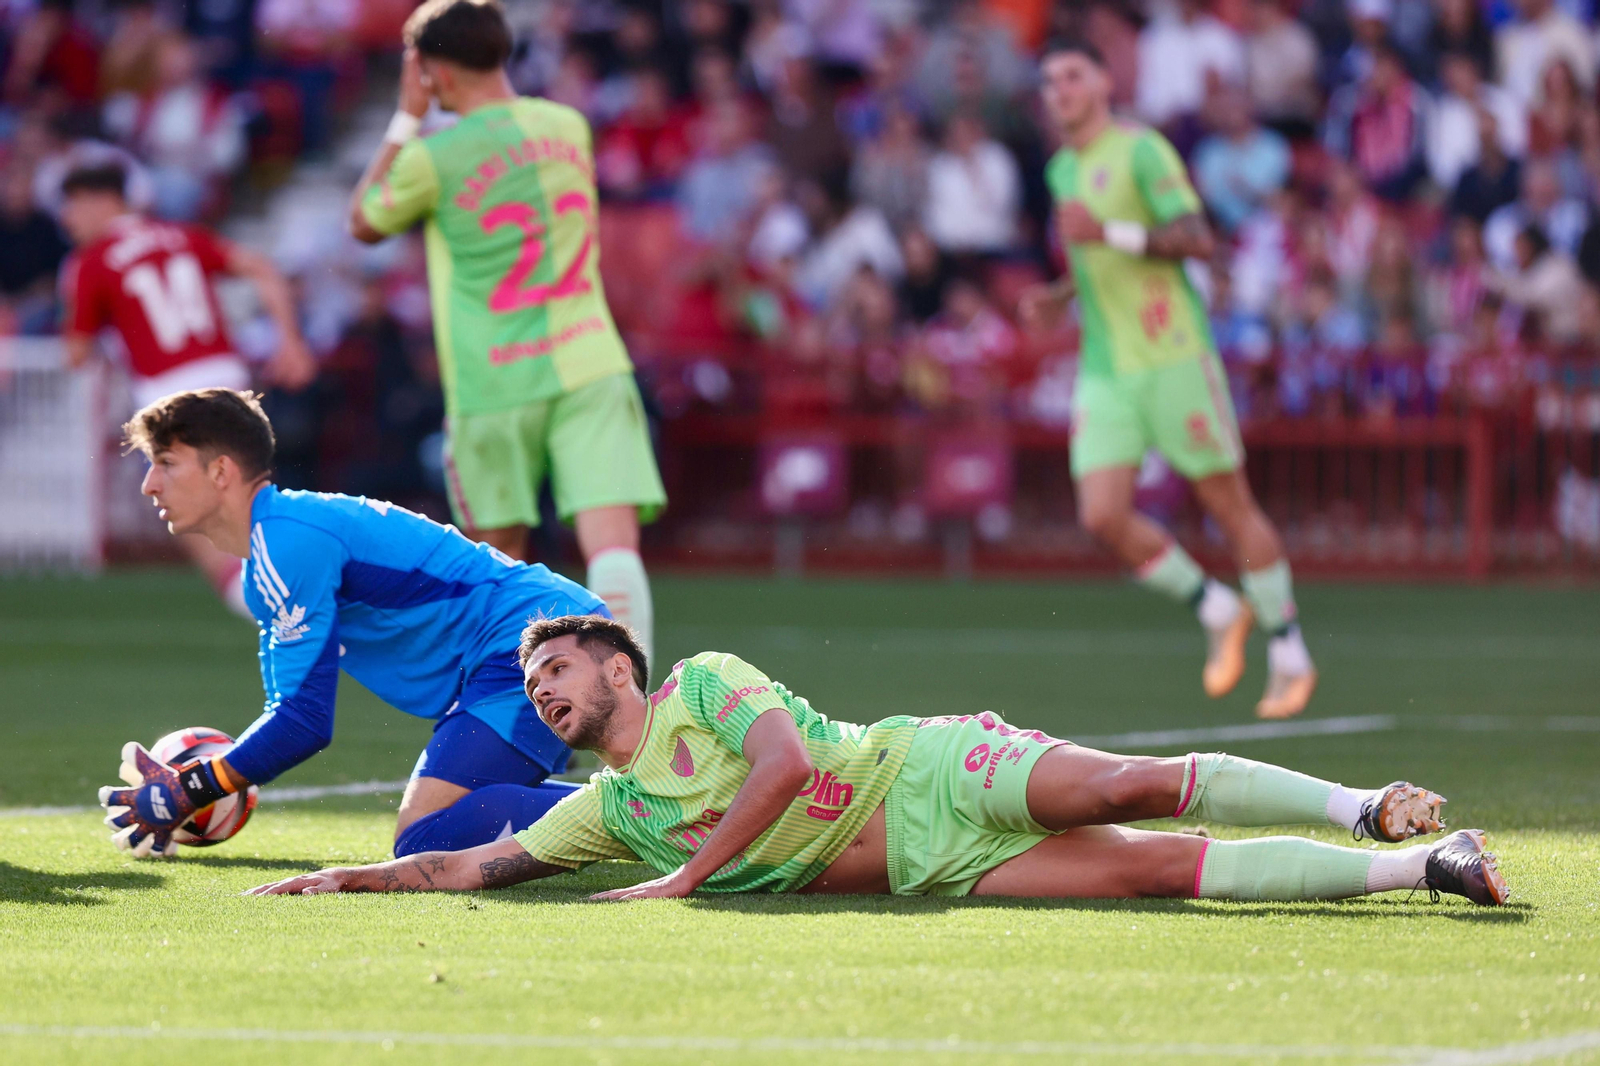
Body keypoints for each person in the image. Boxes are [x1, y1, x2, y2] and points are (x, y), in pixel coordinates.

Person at [247, 615, 1508, 908]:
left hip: (931, 773)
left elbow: (788, 763)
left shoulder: (701, 681)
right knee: (1154, 874)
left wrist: (685, 883)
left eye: (556, 671)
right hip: (929, 864)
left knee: (1130, 784)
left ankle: (1370, 803)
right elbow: (471, 865)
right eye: (532, 685)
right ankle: (1432, 871)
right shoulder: (610, 810)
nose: (541, 690)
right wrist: (335, 882)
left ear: (617, 670)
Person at [98, 388, 604, 860]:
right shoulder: (273, 552)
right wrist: (205, 783)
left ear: (221, 472)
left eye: (166, 463)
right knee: (456, 823)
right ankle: (642, 802)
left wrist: (192, 788)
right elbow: (287, 712)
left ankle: (650, 808)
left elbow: (304, 722)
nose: (149, 483)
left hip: (529, 645)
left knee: (425, 839)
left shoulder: (286, 544)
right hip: (532, 640)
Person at [346, 0, 666, 667]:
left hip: (493, 378)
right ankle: (632, 715)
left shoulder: (434, 156)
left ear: (431, 70)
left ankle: (506, 725)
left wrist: (407, 114)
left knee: (497, 561)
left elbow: (364, 222)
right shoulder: (569, 126)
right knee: (612, 545)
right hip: (587, 359)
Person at [1018, 39, 1316, 719]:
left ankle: (1289, 649)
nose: (1059, 90)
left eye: (1072, 76)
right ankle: (1216, 605)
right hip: (1106, 365)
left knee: (1229, 505)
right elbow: (1096, 253)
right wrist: (1060, 296)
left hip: (1172, 354)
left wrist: (1109, 232)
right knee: (1101, 514)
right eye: (1049, 80)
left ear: (1102, 82)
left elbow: (1195, 238)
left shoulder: (1142, 150)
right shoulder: (1063, 168)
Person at [58, 162, 315, 617]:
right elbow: (261, 268)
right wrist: (290, 340)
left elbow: (75, 355)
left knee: (194, 521)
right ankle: (310, 593)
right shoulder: (183, 235)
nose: (68, 220)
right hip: (230, 382)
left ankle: (287, 613)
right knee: (242, 504)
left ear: (102, 201)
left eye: (73, 207)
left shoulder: (92, 262)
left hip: (168, 396)